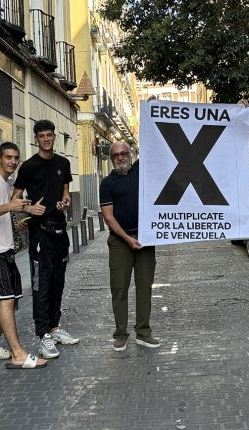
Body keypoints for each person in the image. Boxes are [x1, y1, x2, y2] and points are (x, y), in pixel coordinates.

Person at [0, 142, 47, 370]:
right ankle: (18, 354)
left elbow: (2, 212)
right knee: (6, 300)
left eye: (16, 158)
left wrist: (19, 221)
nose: (13, 162)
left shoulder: (5, 184)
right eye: (8, 157)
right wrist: (10, 207)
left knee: (10, 299)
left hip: (4, 251)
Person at [13, 120, 79, 359]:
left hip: (60, 230)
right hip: (40, 232)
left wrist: (65, 202)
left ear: (54, 137)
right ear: (36, 139)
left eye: (49, 135)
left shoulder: (63, 163)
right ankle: (43, 336)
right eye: (42, 136)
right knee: (41, 284)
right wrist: (29, 210)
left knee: (58, 282)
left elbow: (65, 192)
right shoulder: (29, 166)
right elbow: (16, 198)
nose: (46, 139)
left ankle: (54, 327)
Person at [99, 141, 160, 351]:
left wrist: (152, 108)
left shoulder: (139, 172)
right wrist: (127, 239)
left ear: (130, 155)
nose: (121, 157)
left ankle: (143, 332)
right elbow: (108, 217)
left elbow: (156, 145)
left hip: (146, 239)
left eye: (124, 153)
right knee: (119, 288)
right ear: (111, 159)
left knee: (145, 287)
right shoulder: (107, 183)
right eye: (116, 155)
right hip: (120, 242)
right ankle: (121, 334)